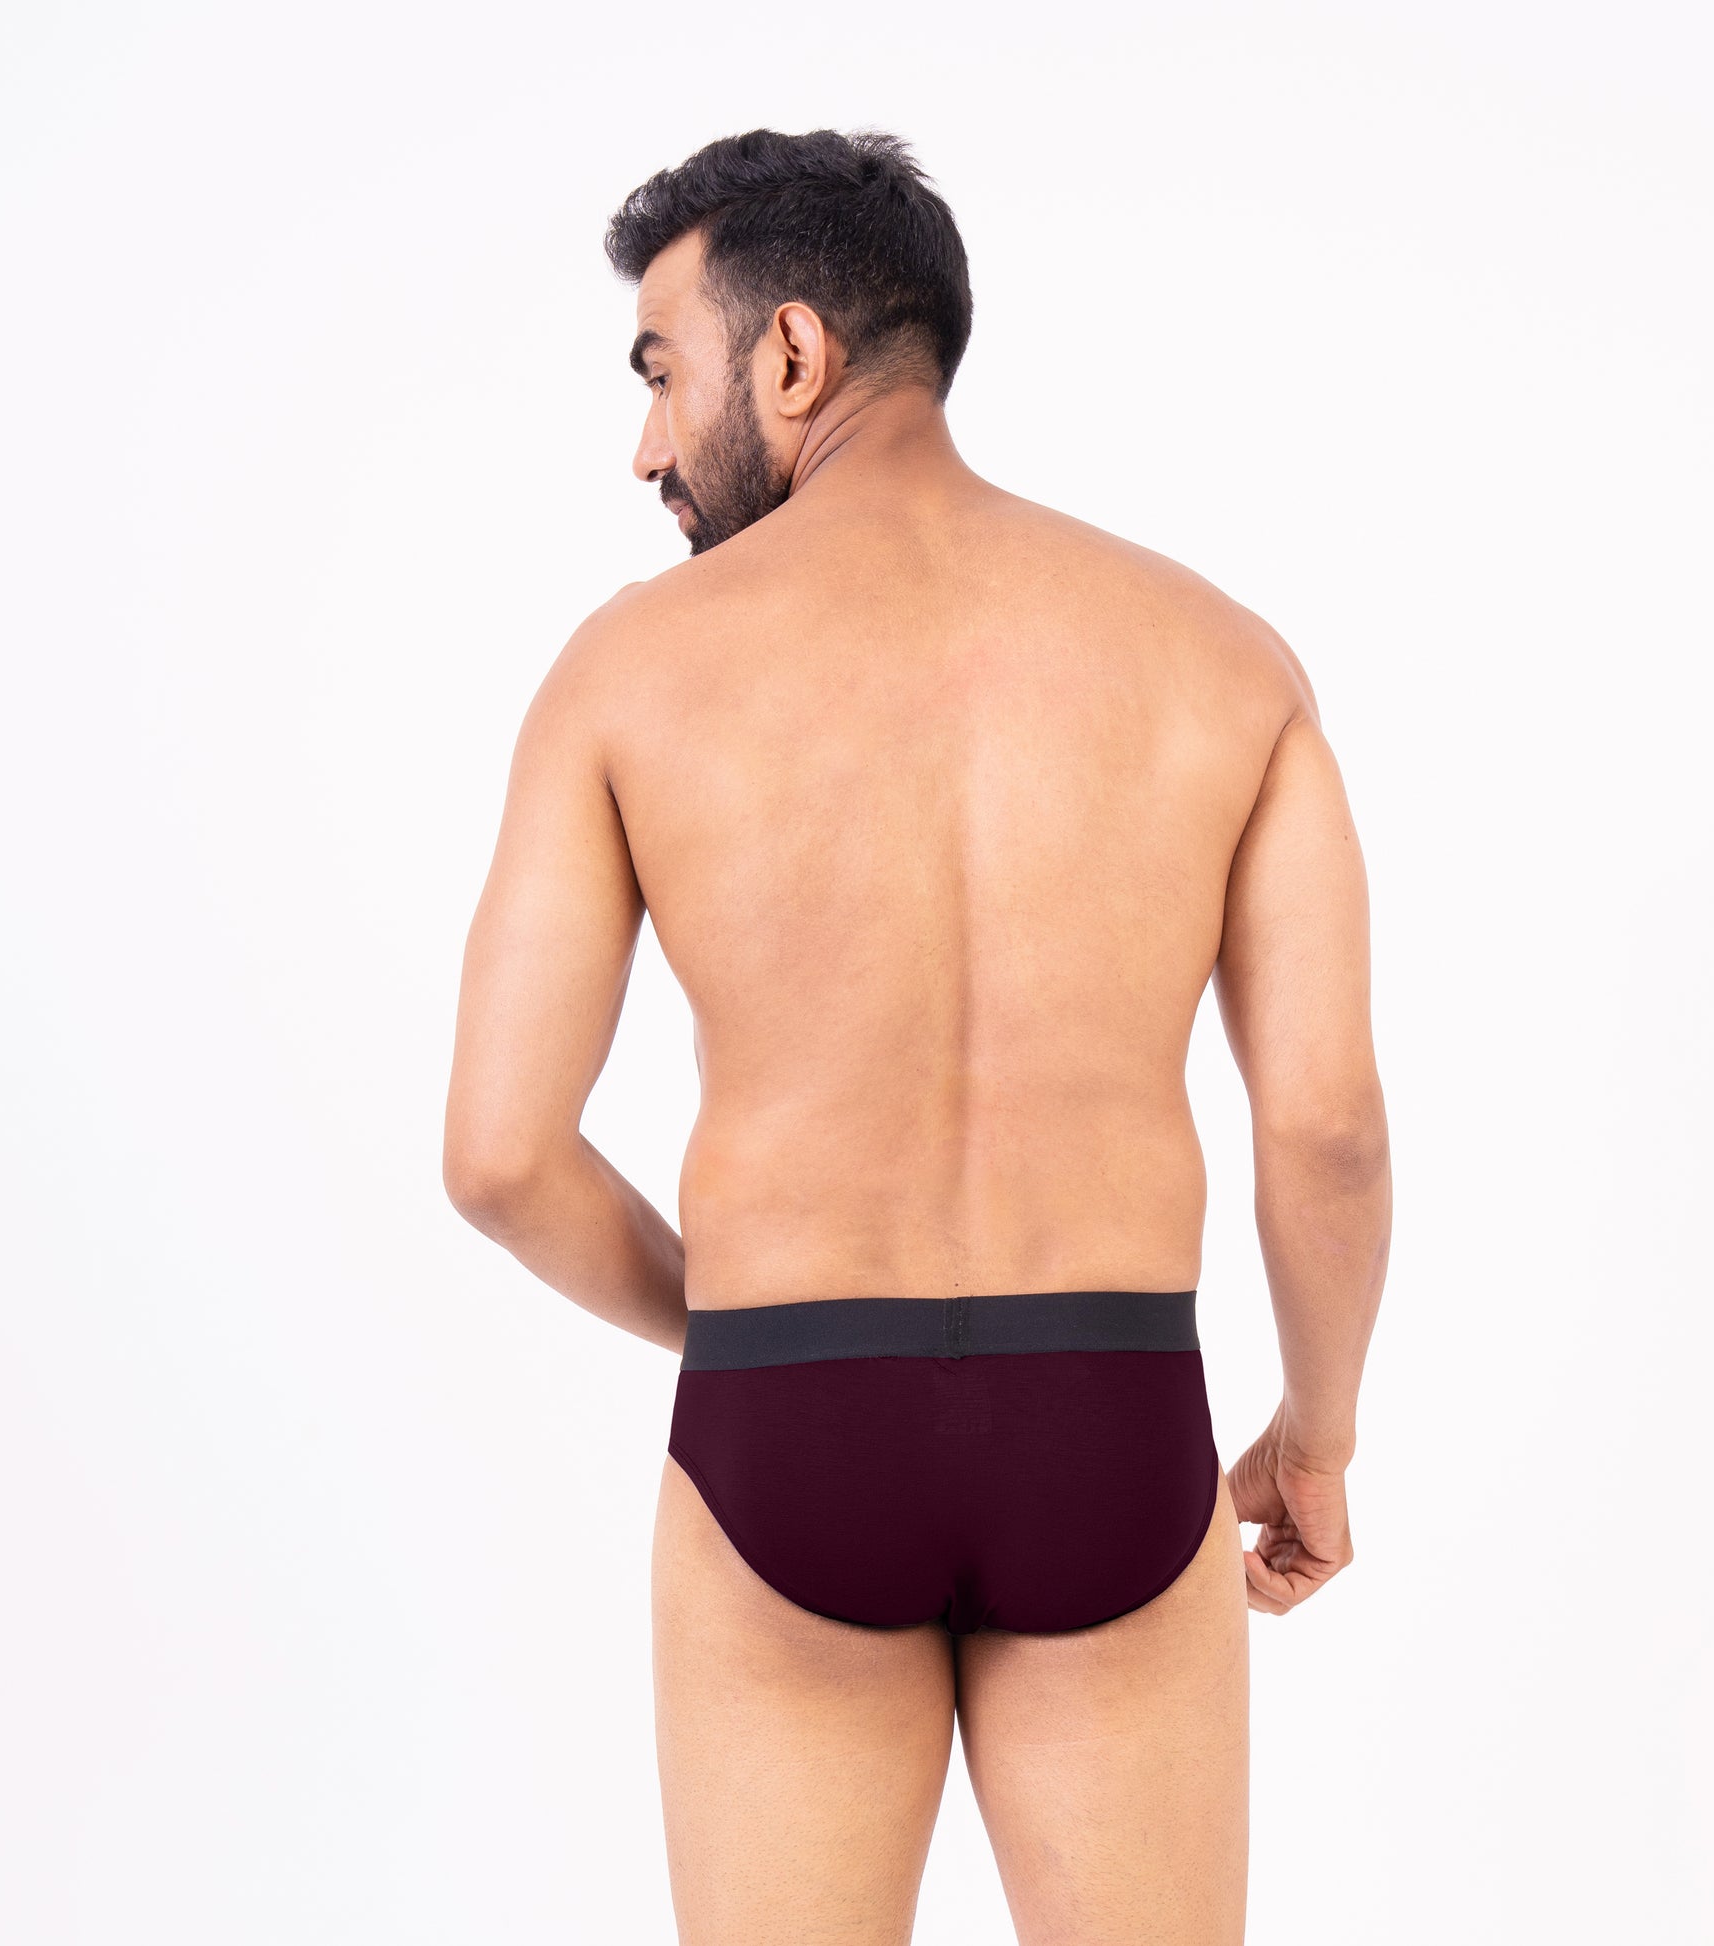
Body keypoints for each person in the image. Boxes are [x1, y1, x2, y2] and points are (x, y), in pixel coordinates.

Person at [443, 126, 1391, 1946]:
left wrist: (756, 1337)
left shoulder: (627, 670)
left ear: (791, 354)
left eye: (660, 373)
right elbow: (1326, 1124)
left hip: (786, 1417)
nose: (645, 446)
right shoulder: (1220, 655)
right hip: (1110, 1410)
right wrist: (1314, 1435)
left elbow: (498, 1157)